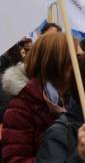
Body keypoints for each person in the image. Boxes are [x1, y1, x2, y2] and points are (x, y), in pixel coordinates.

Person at [1, 33, 73, 163]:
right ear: (55, 61)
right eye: (74, 58)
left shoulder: (77, 99)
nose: (80, 63)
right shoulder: (20, 108)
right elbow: (15, 159)